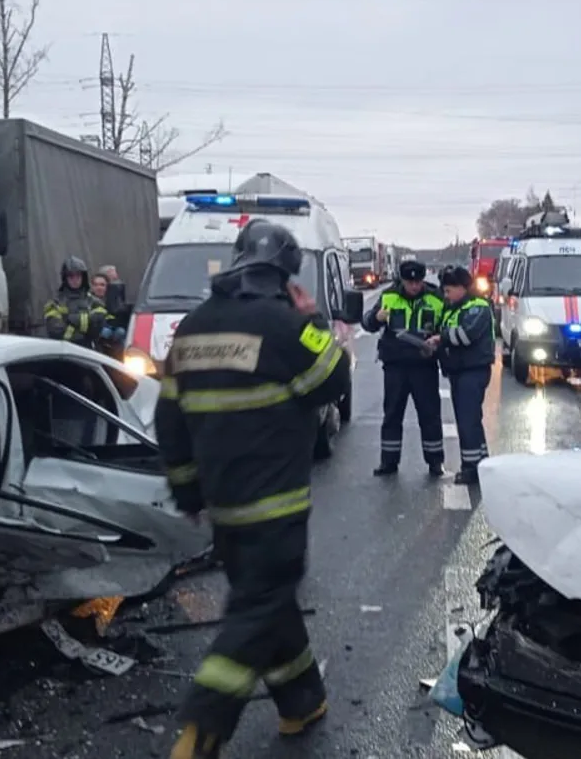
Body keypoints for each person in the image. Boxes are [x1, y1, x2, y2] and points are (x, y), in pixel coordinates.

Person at [157, 220, 350, 759]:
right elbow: (334, 379)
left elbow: (169, 420)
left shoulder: (192, 328)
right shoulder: (285, 325)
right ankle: (202, 727)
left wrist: (189, 494)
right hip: (275, 509)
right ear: (286, 274)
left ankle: (301, 701)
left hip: (223, 508)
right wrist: (311, 318)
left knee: (267, 602)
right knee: (258, 610)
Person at [361, 259, 447, 477]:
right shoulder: (389, 297)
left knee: (429, 415)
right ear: (402, 280)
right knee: (392, 415)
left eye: (417, 281)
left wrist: (439, 341)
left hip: (424, 366)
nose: (414, 286)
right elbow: (367, 323)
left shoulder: (435, 298)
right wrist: (376, 317)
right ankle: (388, 462)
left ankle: (435, 461)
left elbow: (447, 326)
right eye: (410, 282)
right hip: (395, 366)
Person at [432, 266, 495, 485]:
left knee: (468, 421)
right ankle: (482, 462)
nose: (446, 295)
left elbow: (466, 336)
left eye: (449, 290)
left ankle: (471, 469)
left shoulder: (477, 307)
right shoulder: (456, 308)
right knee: (470, 420)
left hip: (473, 370)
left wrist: (441, 339)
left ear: (462, 288)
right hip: (460, 371)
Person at [44, 256, 108, 347]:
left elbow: (96, 329)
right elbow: (55, 332)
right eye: (71, 276)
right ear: (65, 277)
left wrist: (69, 321)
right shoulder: (54, 303)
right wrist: (83, 333)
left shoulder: (95, 303)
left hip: (89, 351)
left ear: (83, 277)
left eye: (78, 276)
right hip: (63, 351)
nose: (75, 279)